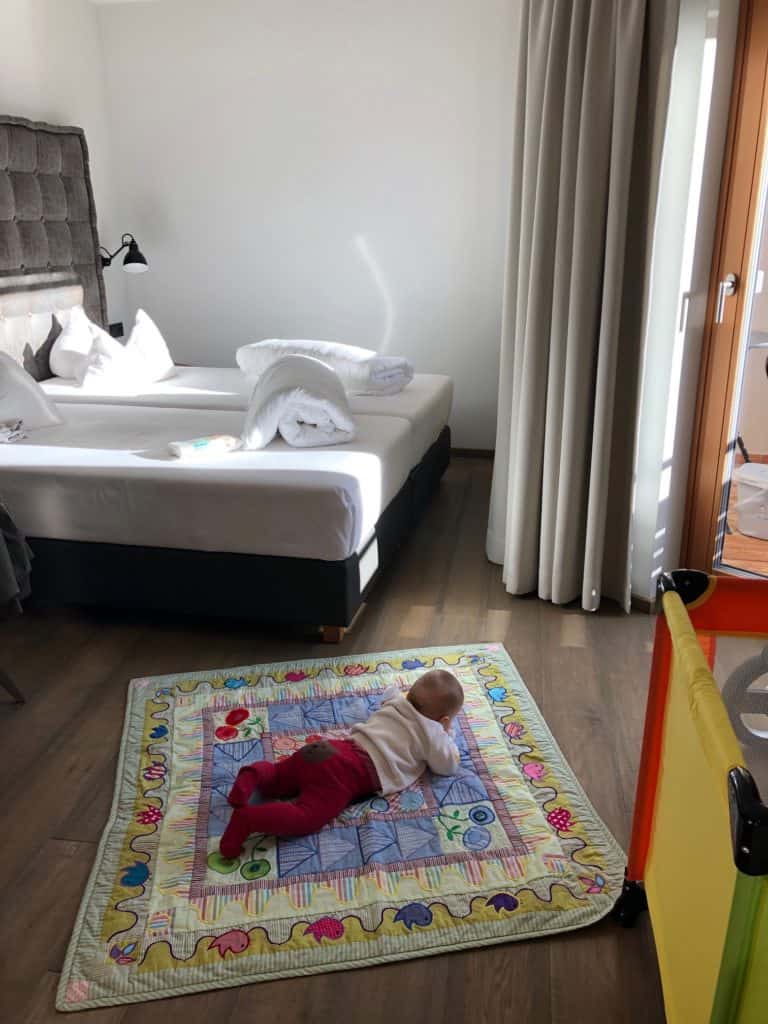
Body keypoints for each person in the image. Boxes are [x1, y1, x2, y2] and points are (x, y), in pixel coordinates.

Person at [219, 668, 464, 859]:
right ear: (443, 719)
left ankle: (252, 776)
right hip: (346, 776)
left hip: (329, 749)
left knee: (279, 776)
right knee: (306, 816)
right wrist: (445, 732)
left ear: (409, 694)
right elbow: (448, 765)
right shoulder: (433, 734)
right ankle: (248, 820)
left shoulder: (396, 701)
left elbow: (389, 694)